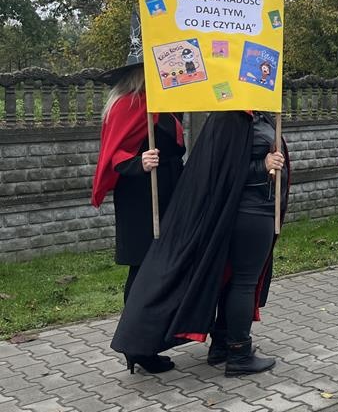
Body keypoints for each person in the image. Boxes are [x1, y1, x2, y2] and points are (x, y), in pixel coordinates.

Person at [110, 110, 289, 376]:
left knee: (233, 280)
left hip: (254, 209)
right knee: (244, 282)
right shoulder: (231, 119)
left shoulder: (255, 115)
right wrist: (262, 165)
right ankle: (239, 354)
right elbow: (224, 173)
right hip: (250, 212)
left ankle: (222, 346)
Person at [92, 33, 185, 374]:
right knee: (144, 269)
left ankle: (148, 342)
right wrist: (139, 162)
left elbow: (176, 146)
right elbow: (112, 155)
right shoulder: (126, 105)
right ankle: (137, 346)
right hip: (140, 198)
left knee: (161, 268)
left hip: (168, 191)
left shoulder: (164, 103)